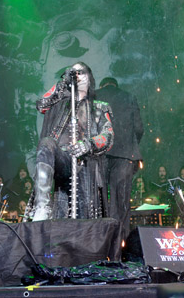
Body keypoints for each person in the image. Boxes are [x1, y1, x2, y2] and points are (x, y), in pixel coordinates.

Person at [28, 62, 114, 221]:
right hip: (61, 158)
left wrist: (88, 144)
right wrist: (62, 83)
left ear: (89, 78)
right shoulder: (61, 104)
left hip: (84, 162)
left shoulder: (99, 107)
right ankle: (42, 207)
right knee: (46, 142)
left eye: (80, 72)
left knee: (81, 217)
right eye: (73, 73)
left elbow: (108, 136)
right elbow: (41, 105)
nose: (77, 76)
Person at [94, 76, 143, 236]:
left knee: (98, 198)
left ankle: (99, 239)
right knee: (121, 201)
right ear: (116, 85)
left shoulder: (94, 95)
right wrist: (128, 145)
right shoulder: (129, 97)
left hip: (99, 153)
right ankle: (120, 241)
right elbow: (139, 128)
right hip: (124, 155)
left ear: (102, 85)